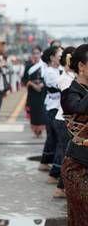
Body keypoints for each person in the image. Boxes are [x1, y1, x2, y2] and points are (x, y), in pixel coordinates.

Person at [60, 43, 88, 226]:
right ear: (81, 66)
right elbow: (76, 109)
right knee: (82, 220)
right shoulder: (71, 91)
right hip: (79, 164)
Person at [51, 47, 76, 198]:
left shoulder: (72, 76)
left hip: (67, 120)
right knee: (69, 156)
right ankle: (61, 188)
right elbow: (70, 103)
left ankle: (62, 187)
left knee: (69, 155)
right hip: (63, 121)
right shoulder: (65, 79)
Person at [40, 46, 63, 183]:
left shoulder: (58, 70)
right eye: (60, 55)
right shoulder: (49, 72)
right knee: (58, 140)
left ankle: (47, 164)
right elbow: (60, 85)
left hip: (57, 107)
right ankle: (54, 173)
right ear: (52, 58)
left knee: (53, 139)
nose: (62, 57)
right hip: (53, 108)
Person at [22, 46, 47, 138]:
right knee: (34, 112)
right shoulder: (28, 66)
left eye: (37, 53)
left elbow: (48, 78)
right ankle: (35, 131)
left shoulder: (44, 65)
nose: (35, 55)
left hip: (42, 92)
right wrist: (32, 84)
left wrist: (42, 84)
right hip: (32, 92)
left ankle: (41, 130)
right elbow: (24, 79)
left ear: (41, 54)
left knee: (42, 111)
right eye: (34, 53)